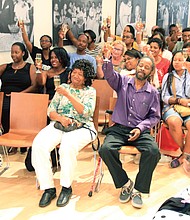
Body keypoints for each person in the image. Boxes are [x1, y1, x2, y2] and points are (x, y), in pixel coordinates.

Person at [32, 59, 97, 208]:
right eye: (74, 72)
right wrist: (61, 118)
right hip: (60, 124)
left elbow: (85, 112)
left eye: (80, 74)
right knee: (38, 145)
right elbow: (51, 110)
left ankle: (66, 187)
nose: (76, 76)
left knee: (67, 146)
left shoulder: (90, 92)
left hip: (82, 126)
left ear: (86, 77)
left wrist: (68, 95)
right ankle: (48, 188)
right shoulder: (62, 88)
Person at [97, 56, 161, 209]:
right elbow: (109, 74)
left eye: (146, 67)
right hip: (119, 128)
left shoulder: (152, 92)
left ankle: (139, 190)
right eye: (141, 65)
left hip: (140, 130)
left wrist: (140, 128)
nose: (142, 69)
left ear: (150, 71)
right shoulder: (123, 82)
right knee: (105, 149)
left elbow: (155, 116)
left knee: (153, 151)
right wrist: (107, 59)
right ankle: (125, 183)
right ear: (136, 66)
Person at [24, 47, 71, 172]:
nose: (53, 60)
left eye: (56, 57)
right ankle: (35, 158)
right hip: (47, 104)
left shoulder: (69, 73)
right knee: (41, 124)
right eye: (51, 57)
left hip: (63, 106)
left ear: (62, 58)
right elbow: (40, 83)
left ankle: (56, 156)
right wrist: (39, 69)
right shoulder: (47, 72)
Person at [0, 42, 37, 154]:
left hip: (22, 98)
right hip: (5, 97)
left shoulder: (29, 67)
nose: (13, 55)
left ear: (23, 53)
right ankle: (10, 140)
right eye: (12, 52)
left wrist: (18, 95)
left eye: (16, 52)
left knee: (13, 109)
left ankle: (16, 142)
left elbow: (34, 86)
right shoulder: (5, 67)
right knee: (5, 108)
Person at [161, 50, 190, 169]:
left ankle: (183, 156)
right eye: (175, 60)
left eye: (180, 59)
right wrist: (178, 100)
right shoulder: (168, 76)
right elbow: (164, 97)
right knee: (174, 121)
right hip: (172, 106)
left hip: (188, 107)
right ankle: (186, 154)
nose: (177, 62)